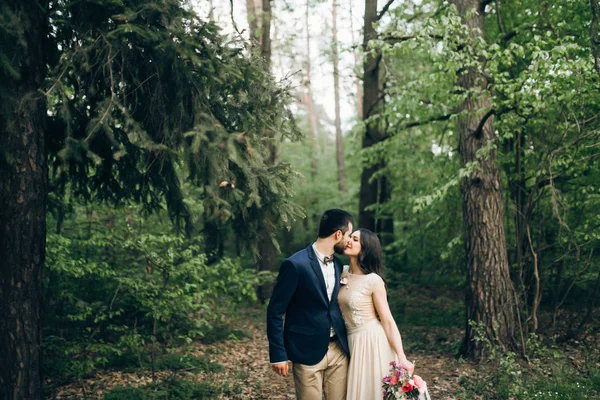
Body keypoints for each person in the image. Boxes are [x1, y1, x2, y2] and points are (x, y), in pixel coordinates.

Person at [267, 209, 354, 400]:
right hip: (306, 349)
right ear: (337, 234)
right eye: (348, 235)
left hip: (338, 350)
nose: (349, 240)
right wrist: (278, 354)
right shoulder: (295, 264)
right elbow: (275, 311)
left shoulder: (339, 265)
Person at [338, 228, 417, 399]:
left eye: (356, 239)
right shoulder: (341, 272)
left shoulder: (374, 280)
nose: (349, 240)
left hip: (372, 342)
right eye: (350, 237)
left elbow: (387, 320)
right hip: (350, 341)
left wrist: (402, 357)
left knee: (372, 392)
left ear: (366, 248)